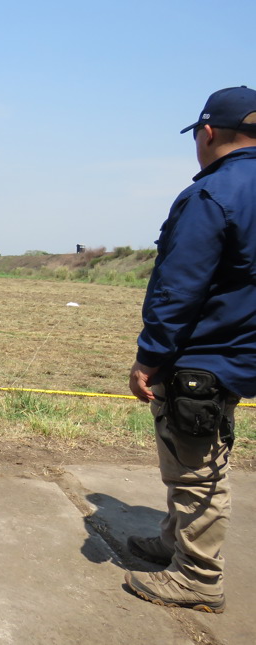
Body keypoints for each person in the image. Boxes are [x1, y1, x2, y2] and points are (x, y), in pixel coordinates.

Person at [126, 86, 256, 613]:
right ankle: (172, 541)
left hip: (204, 355)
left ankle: (198, 576)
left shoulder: (212, 195)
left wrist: (149, 357)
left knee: (197, 469)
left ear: (207, 132)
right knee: (200, 451)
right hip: (242, 352)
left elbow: (179, 288)